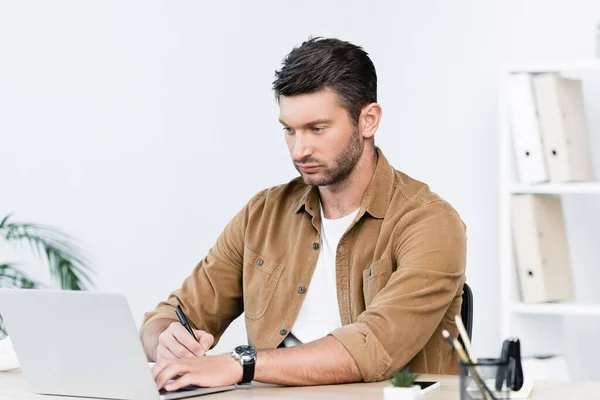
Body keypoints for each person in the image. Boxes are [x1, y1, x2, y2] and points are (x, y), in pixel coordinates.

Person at [141, 37, 467, 392]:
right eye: (289, 130)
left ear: (368, 120)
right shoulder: (262, 215)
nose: (300, 149)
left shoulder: (430, 222)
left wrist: (242, 365)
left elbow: (374, 346)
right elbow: (171, 315)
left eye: (317, 128)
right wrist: (164, 340)